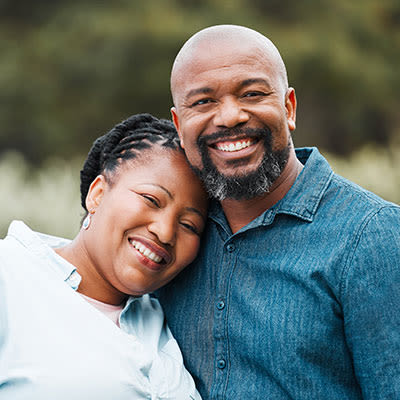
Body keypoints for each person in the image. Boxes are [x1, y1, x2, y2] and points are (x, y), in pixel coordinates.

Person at [157, 25, 400, 399]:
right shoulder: (176, 232)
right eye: (203, 102)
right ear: (179, 125)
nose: (230, 116)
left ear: (288, 108)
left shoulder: (370, 235)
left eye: (252, 94)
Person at [0, 113, 207, 399]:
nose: (165, 232)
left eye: (189, 225)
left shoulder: (164, 320)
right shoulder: (10, 275)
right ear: (97, 194)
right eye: (151, 200)